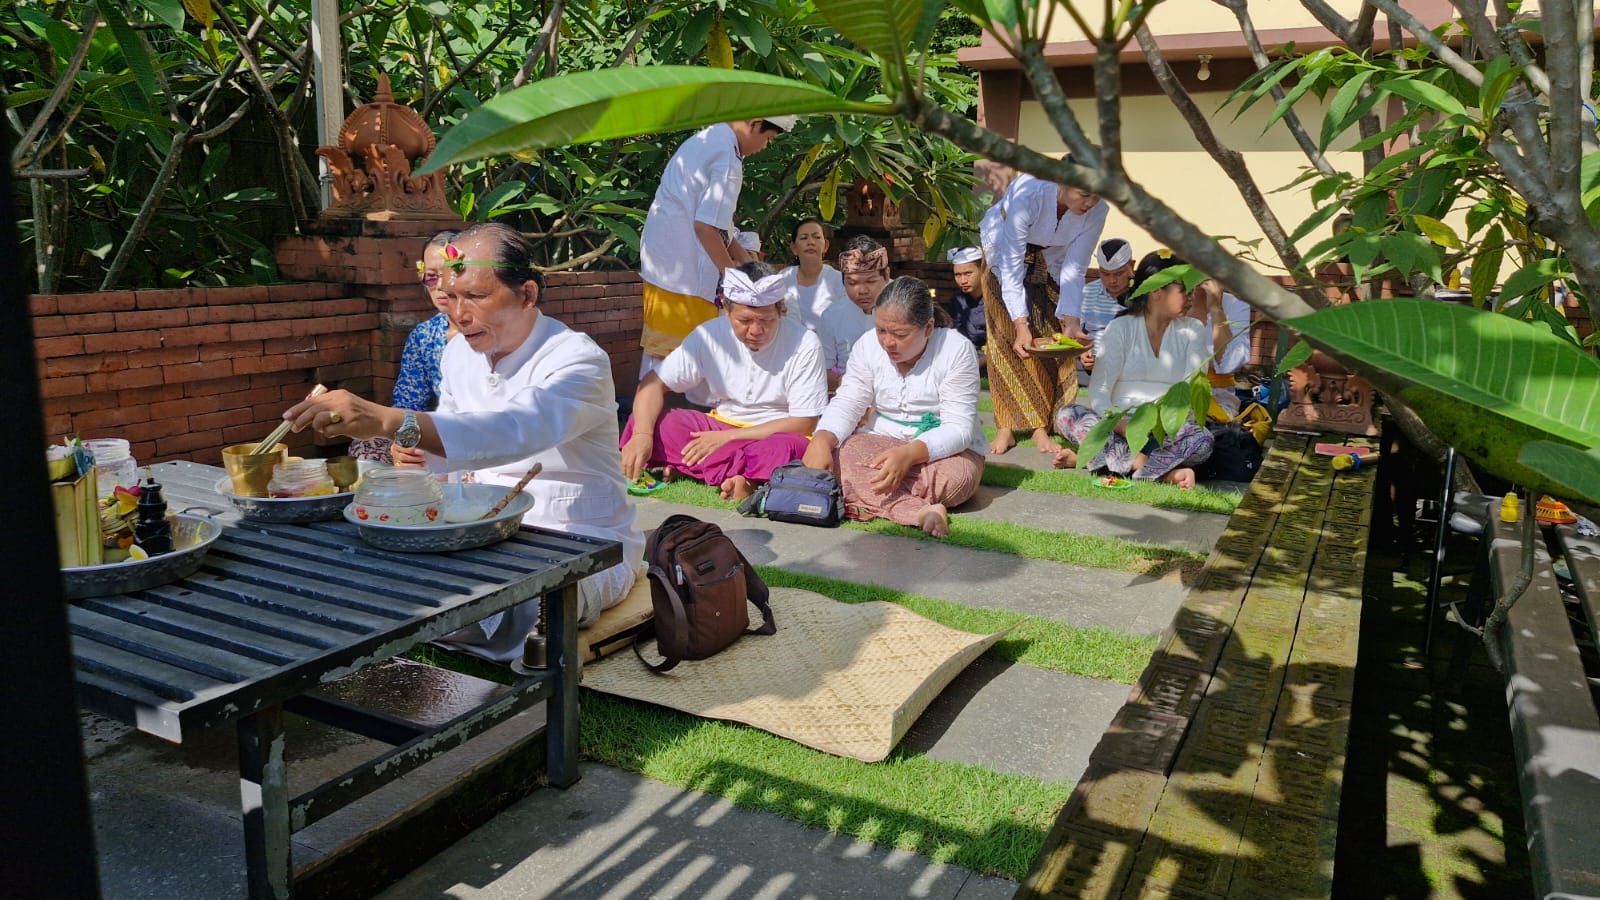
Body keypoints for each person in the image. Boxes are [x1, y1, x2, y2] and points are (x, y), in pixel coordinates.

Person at [283, 222, 644, 662]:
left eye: (475, 296)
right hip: (477, 528)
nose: (458, 313)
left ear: (527, 294)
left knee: (522, 602)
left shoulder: (577, 359)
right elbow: (451, 449)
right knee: (365, 560)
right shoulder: (458, 353)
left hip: (579, 538)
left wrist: (391, 421)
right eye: (450, 296)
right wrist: (415, 454)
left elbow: (513, 429)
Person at [620, 261, 828, 501]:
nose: (756, 330)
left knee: (789, 448)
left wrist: (728, 439)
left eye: (766, 320)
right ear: (727, 310)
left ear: (782, 311)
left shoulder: (805, 343)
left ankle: (703, 469)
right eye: (745, 320)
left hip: (773, 434)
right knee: (656, 422)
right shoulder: (709, 335)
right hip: (719, 425)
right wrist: (642, 435)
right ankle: (744, 474)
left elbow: (804, 422)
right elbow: (653, 383)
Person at [803, 276, 985, 537]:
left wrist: (909, 455)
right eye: (881, 330)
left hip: (943, 453)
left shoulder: (956, 349)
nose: (888, 342)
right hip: (880, 440)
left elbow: (959, 429)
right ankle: (919, 511)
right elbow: (849, 401)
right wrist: (822, 439)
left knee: (958, 478)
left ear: (928, 327)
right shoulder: (867, 345)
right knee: (839, 456)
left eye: (900, 334)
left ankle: (865, 495)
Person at [636, 117, 795, 379]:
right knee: (678, 360)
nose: (764, 147)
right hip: (683, 274)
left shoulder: (707, 139)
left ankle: (651, 403)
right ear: (755, 124)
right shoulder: (727, 158)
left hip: (665, 263)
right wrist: (734, 281)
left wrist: (753, 271)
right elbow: (707, 228)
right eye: (767, 139)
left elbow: (722, 228)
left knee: (664, 356)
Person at [1052, 251, 1214, 489]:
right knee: (1067, 415)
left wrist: (1158, 425)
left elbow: (1192, 390)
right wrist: (1122, 425)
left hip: (1165, 433)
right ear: (1156, 291)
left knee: (1203, 440)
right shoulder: (1121, 327)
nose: (1191, 295)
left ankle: (1099, 460)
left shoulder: (1193, 330)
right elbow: (1099, 392)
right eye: (1184, 288)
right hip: (1119, 428)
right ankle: (1152, 469)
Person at [979, 172, 1108, 455]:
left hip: (1051, 260)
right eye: (1084, 194)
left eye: (1097, 196)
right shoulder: (1029, 192)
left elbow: (1075, 267)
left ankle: (1041, 426)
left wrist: (1071, 321)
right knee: (1005, 339)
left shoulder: (1099, 210)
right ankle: (1005, 427)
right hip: (1003, 252)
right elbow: (1012, 265)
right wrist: (1020, 324)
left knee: (1050, 339)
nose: (1090, 203)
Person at [347, 228, 459, 464]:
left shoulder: (494, 332)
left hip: (488, 432)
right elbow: (408, 405)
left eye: (451, 274)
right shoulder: (425, 336)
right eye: (431, 276)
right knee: (367, 447)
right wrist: (404, 443)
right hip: (439, 428)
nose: (440, 286)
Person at [814, 235, 889, 391]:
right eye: (853, 283)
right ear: (843, 281)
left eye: (870, 281)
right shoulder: (832, 316)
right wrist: (846, 382)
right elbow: (822, 371)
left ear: (886, 275)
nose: (862, 291)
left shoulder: (907, 307)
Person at [1186, 277, 1254, 419]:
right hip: (1169, 392)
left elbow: (1231, 363)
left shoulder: (1235, 304)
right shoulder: (1172, 299)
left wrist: (1216, 308)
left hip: (1217, 396)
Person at [1079, 238, 1135, 377]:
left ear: (1132, 265)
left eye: (1119, 273)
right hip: (1094, 369)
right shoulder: (1088, 292)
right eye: (1105, 273)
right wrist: (1083, 350)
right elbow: (1078, 332)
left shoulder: (1143, 293)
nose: (1112, 280)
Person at [779, 218, 846, 330]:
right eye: (804, 238)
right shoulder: (783, 278)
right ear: (794, 248)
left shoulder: (839, 280)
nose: (811, 242)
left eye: (817, 237)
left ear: (826, 246)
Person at [944, 247, 987, 350]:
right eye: (958, 275)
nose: (963, 281)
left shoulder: (997, 300)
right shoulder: (957, 300)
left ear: (982, 270)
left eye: (968, 274)